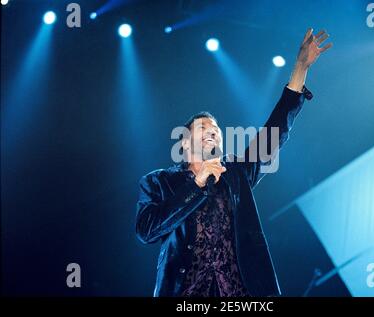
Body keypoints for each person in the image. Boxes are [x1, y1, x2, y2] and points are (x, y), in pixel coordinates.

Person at [136, 28, 332, 297]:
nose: (213, 130)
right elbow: (146, 231)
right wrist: (197, 182)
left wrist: (299, 68)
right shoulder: (158, 182)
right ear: (183, 140)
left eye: (216, 128)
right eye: (204, 126)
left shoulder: (236, 173)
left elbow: (273, 133)